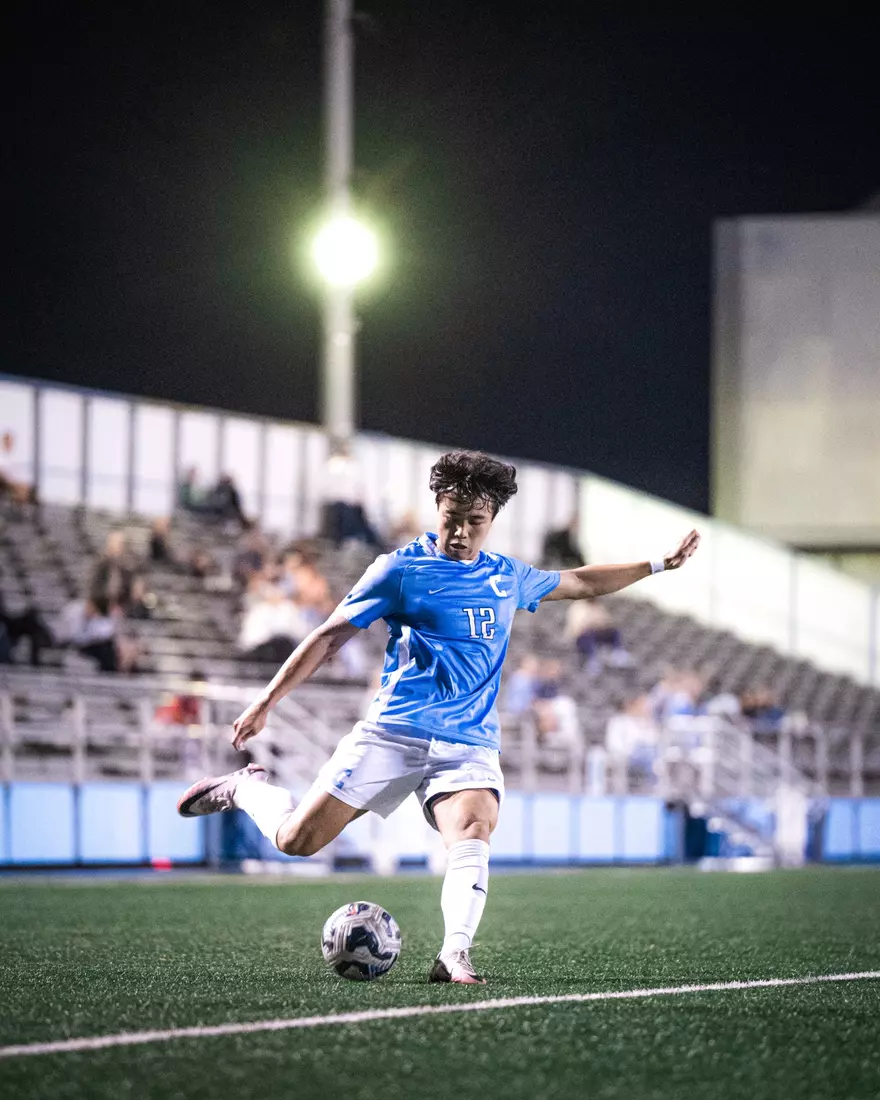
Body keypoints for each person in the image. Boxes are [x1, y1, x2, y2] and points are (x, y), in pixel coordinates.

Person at [177, 450, 700, 984]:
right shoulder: (399, 570)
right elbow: (329, 637)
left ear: (492, 521)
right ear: (437, 509)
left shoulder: (508, 576)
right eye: (452, 519)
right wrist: (266, 701)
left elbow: (582, 582)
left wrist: (658, 564)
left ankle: (454, 954)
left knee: (473, 828)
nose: (460, 533)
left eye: (475, 523)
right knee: (296, 841)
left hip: (468, 742)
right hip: (393, 732)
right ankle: (245, 790)